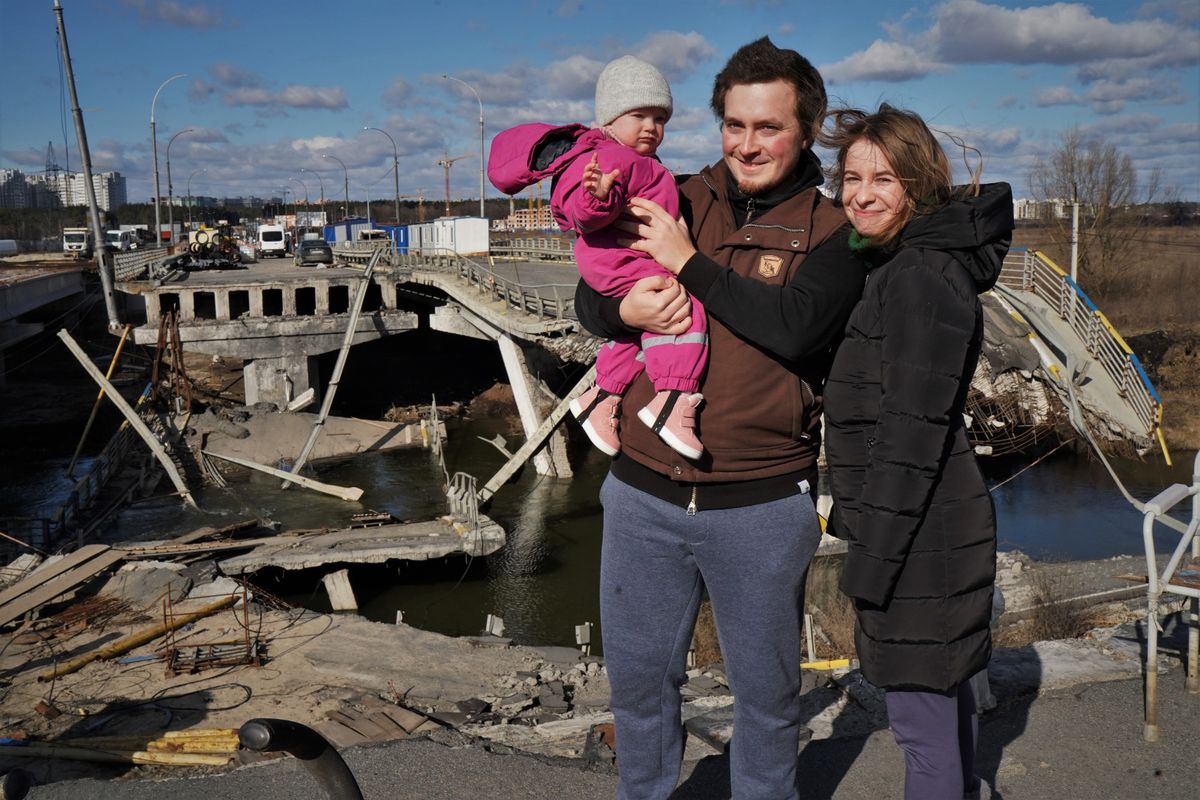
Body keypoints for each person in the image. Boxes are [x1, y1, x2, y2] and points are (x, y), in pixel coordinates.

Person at [573, 37, 867, 799]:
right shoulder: (673, 193)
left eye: (767, 127)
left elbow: (797, 328)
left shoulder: (835, 232)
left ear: (805, 128)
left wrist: (688, 263)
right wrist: (618, 307)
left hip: (761, 506)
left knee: (768, 704)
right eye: (734, 125)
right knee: (638, 691)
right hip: (642, 495)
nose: (747, 144)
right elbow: (591, 286)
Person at [820, 105, 1010, 799]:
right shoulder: (910, 264)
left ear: (919, 186)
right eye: (851, 177)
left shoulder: (919, 276)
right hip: (928, 533)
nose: (861, 193)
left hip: (919, 542)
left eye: (883, 178)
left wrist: (870, 561)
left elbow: (910, 432)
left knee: (923, 735)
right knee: (945, 710)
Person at [487, 55, 708, 461]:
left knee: (636, 332)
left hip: (619, 261)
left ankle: (601, 396)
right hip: (624, 260)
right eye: (639, 115)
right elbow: (579, 211)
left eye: (660, 119)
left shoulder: (629, 158)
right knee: (683, 311)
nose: (652, 127)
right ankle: (673, 398)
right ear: (609, 119)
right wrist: (598, 196)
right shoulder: (609, 158)